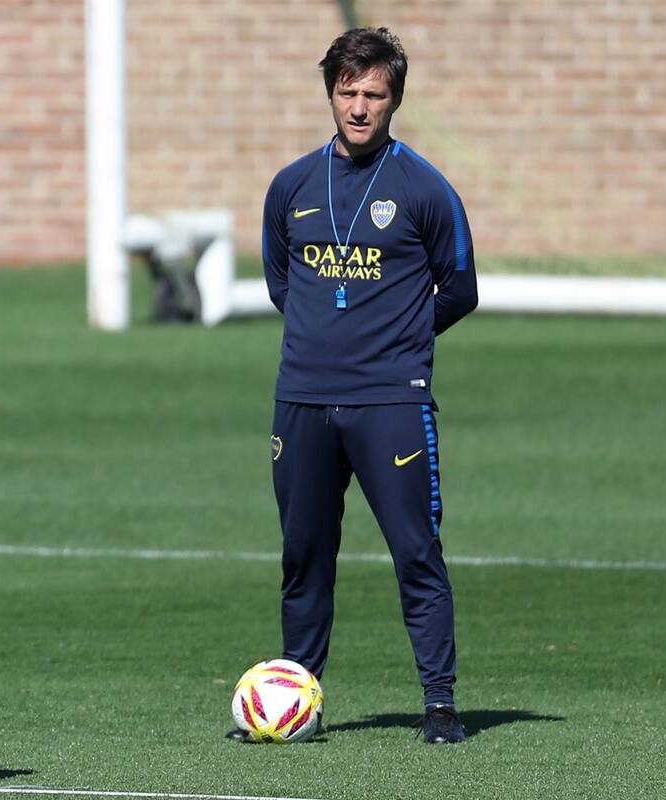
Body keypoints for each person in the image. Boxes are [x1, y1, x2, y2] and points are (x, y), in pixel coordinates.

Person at [248, 27, 478, 744]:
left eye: (373, 94)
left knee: (415, 551)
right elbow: (285, 282)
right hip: (304, 400)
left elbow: (460, 287)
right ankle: (297, 702)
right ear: (330, 94)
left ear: (394, 100)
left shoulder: (425, 188)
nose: (358, 107)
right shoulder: (290, 185)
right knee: (304, 556)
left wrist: (399, 337)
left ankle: (439, 703)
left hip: (391, 402)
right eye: (347, 92)